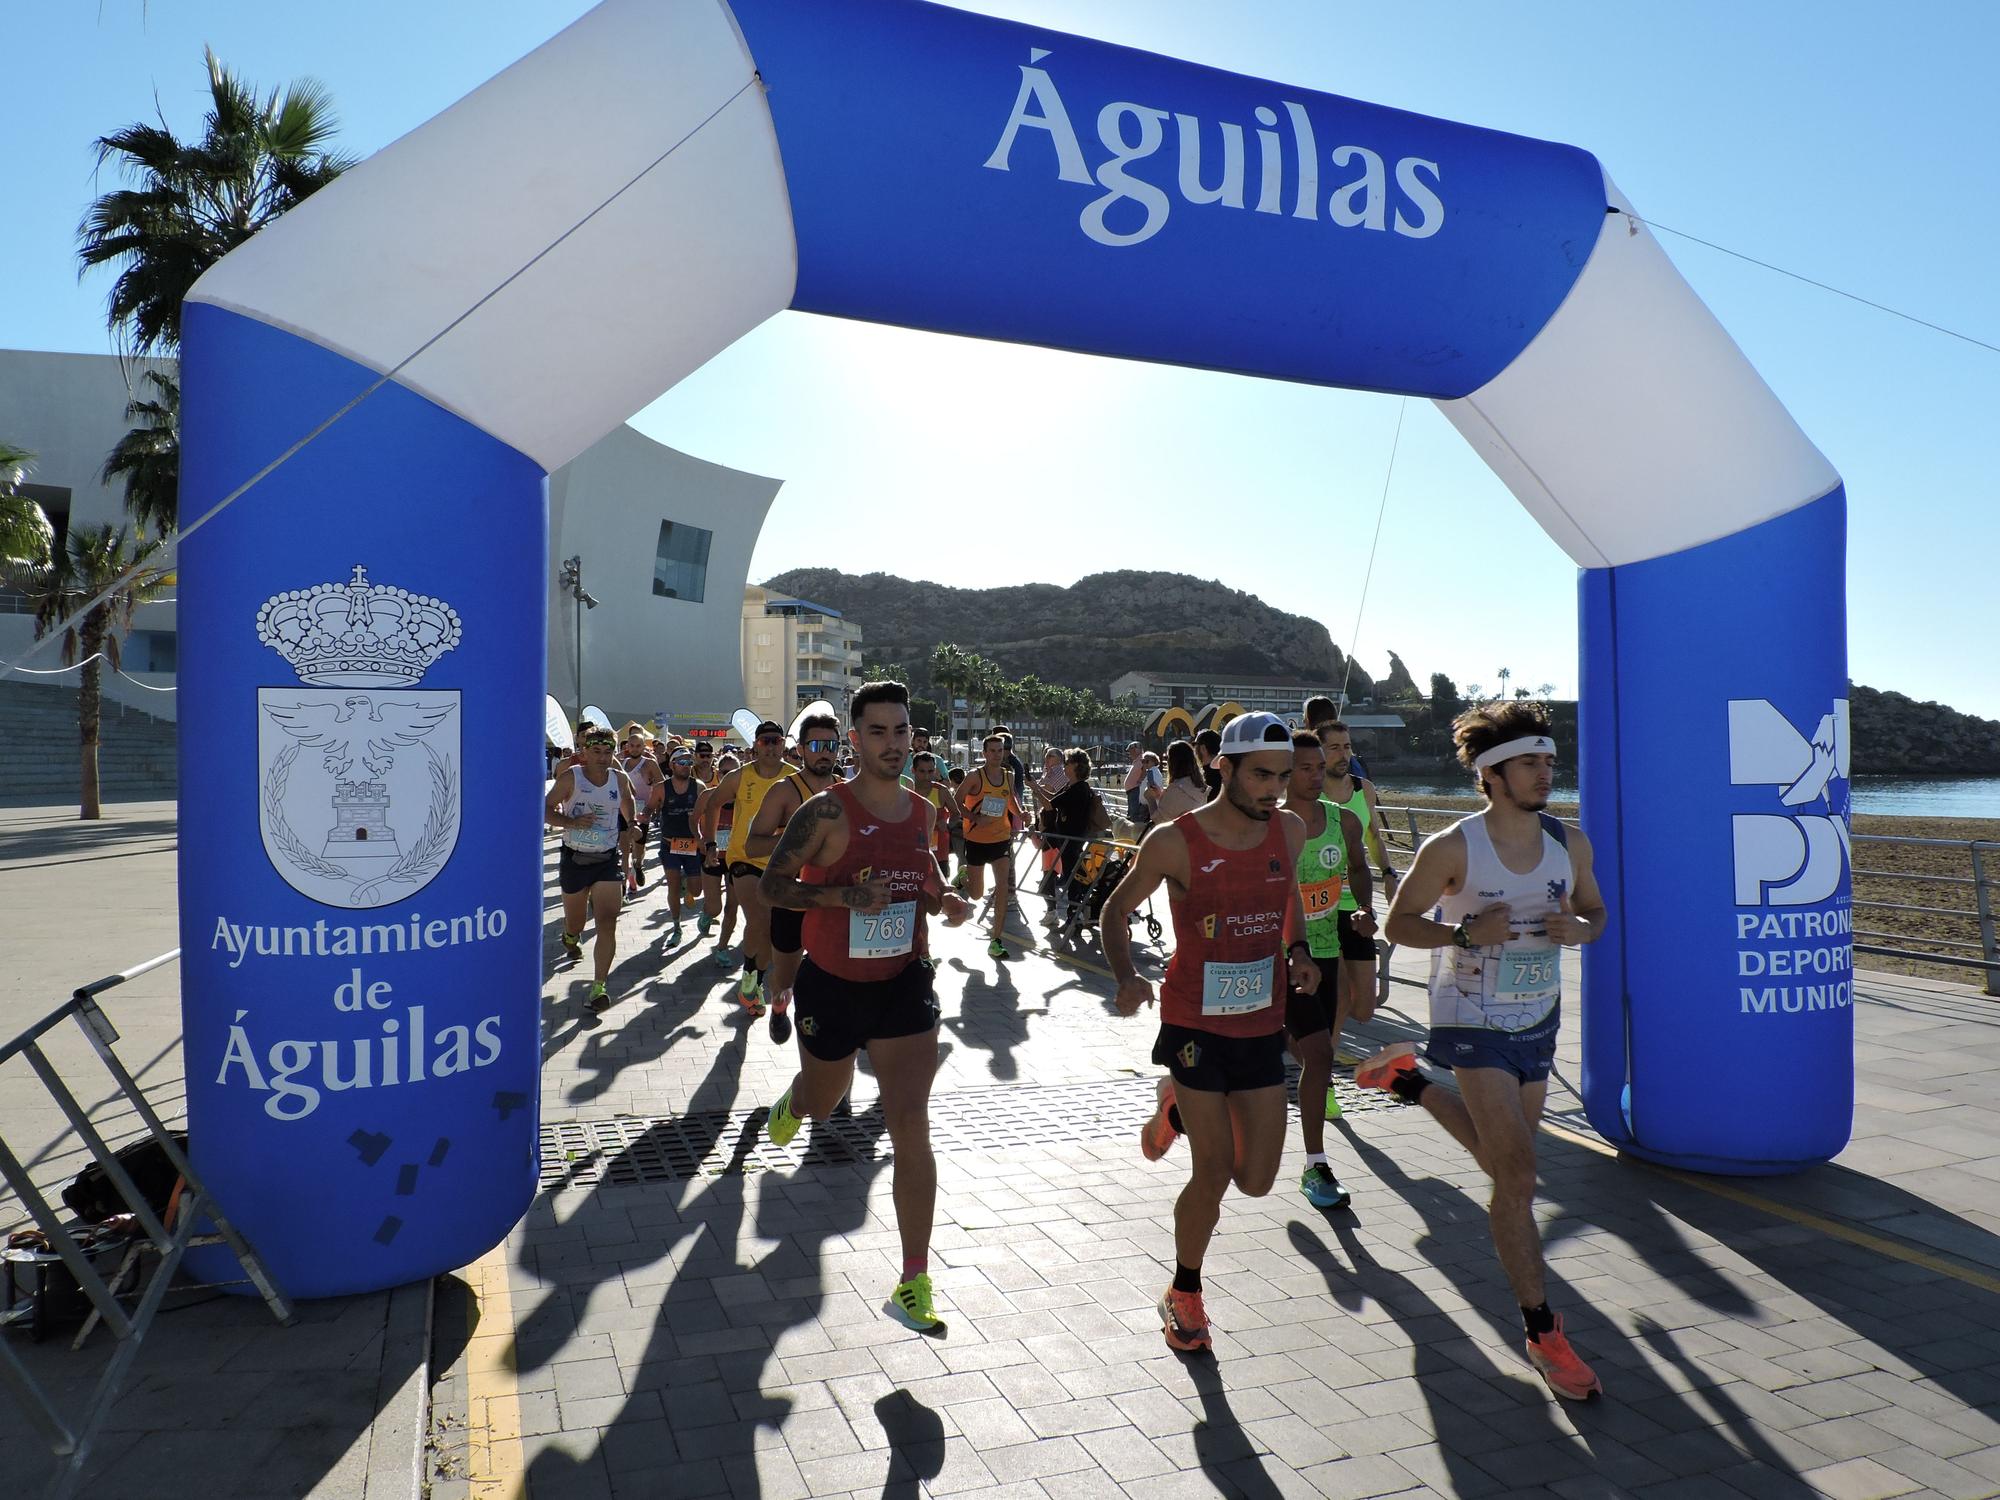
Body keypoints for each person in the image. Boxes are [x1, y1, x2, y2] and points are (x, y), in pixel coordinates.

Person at [1362, 701, 1608, 1401]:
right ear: (1492, 774)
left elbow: (1597, 913)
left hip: (1538, 1019)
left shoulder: (1572, 843)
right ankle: (1543, 1332)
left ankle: (1408, 1083)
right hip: (1471, 1019)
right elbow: (1398, 924)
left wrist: (1578, 929)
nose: (1546, 772)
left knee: (1505, 1167)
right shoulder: (1453, 847)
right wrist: (1465, 934)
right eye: (1531, 761)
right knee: (1522, 1179)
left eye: (1549, 760)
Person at [1100, 712, 1319, 1353]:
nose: (1273, 789)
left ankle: (1176, 1107)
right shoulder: (1175, 841)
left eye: (1282, 777)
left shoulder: (1292, 829)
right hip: (1194, 1021)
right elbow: (1117, 910)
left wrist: (1299, 952)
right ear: (1223, 768)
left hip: (1261, 1022)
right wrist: (1126, 977)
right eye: (1260, 776)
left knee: (1256, 1180)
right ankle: (1184, 1292)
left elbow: (1288, 898)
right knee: (1216, 1171)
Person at [759, 681, 973, 1333]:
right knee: (825, 1100)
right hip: (833, 985)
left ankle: (913, 1280)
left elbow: (924, 876)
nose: (891, 744)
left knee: (911, 1122)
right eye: (877, 732)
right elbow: (774, 884)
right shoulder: (824, 814)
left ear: (914, 737)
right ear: (854, 741)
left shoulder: (922, 810)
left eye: (901, 731)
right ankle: (795, 1103)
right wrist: (842, 901)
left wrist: (945, 899)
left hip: (905, 982)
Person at [1278, 731, 1371, 1208]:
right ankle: (1315, 1164)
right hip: (1279, 958)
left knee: (1320, 1052)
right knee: (1316, 1055)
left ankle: (1315, 1165)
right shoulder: (1270, 825)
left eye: (1320, 767)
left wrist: (1363, 911)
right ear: (1284, 772)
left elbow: (1359, 869)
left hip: (1327, 951)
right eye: (1305, 768)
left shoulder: (1343, 821)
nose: (1315, 775)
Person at [1305, 700, 1398, 1082]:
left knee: (1364, 1006)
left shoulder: (1364, 789)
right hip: (1322, 909)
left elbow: (1374, 836)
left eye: (1347, 746)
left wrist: (1389, 872)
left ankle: (1317, 1049)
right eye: (1335, 747)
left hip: (1358, 905)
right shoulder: (1309, 796)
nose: (1344, 754)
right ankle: (1322, 1073)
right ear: (1319, 753)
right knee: (1338, 997)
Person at [746, 711, 844, 1045]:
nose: (825, 752)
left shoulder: (847, 790)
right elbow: (753, 842)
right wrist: (797, 840)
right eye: (817, 744)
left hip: (833, 901)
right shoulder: (783, 792)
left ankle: (822, 1038)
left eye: (832, 744)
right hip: (792, 899)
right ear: (801, 749)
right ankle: (777, 1008)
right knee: (784, 980)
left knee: (831, 982)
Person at [545, 726, 636, 1012]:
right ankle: (570, 936)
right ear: (584, 752)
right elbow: (543, 808)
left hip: (606, 860)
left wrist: (631, 826)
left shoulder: (618, 779)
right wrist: (571, 823)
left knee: (608, 921)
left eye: (608, 752)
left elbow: (628, 801)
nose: (602, 757)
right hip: (575, 858)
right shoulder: (572, 777)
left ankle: (599, 987)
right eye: (596, 751)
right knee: (577, 923)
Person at [702, 722, 790, 1015]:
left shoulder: (794, 778)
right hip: (744, 859)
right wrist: (711, 843)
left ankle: (752, 976)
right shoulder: (741, 776)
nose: (772, 747)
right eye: (766, 741)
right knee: (760, 919)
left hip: (781, 863)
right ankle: (753, 977)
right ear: (756, 745)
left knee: (770, 931)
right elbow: (713, 804)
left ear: (784, 744)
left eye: (777, 741)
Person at [956, 734, 1024, 961]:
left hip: (1001, 839)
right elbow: (956, 801)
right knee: (976, 894)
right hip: (976, 840)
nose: (997, 754)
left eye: (1000, 750)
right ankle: (964, 874)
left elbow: (1010, 800)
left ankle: (996, 940)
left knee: (1002, 887)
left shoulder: (1009, 776)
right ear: (984, 753)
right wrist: (974, 818)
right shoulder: (975, 777)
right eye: (992, 750)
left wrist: (1021, 814)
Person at [1033, 748, 1110, 927]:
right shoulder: (1074, 787)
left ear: (1075, 765)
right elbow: (1056, 799)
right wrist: (1036, 789)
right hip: (1070, 839)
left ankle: (1074, 918)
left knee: (1073, 879)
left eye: (1067, 763)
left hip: (1072, 840)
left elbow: (1051, 805)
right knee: (1072, 879)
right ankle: (1073, 916)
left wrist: (1035, 789)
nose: (1065, 767)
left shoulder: (1078, 789)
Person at [654, 746, 703, 945]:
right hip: (669, 844)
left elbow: (707, 814)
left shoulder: (699, 787)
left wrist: (707, 841)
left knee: (697, 890)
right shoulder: (661, 787)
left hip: (692, 845)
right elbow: (649, 808)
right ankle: (676, 926)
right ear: (672, 764)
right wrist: (642, 818)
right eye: (682, 762)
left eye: (690, 763)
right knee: (672, 887)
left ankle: (688, 887)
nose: (686, 766)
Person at [694, 750, 740, 949]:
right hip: (712, 856)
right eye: (723, 772)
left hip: (737, 858)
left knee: (732, 908)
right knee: (714, 908)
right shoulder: (708, 796)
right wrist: (700, 840)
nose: (727, 776)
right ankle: (707, 915)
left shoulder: (747, 799)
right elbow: (693, 820)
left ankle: (722, 947)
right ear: (718, 773)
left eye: (733, 772)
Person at [618, 724, 663, 898]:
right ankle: (623, 886)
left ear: (644, 747)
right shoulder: (622, 762)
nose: (635, 749)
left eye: (639, 746)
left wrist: (653, 793)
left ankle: (638, 865)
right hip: (623, 810)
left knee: (638, 847)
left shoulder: (649, 763)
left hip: (642, 812)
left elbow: (661, 785)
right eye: (632, 746)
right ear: (627, 746)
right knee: (624, 849)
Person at [1152, 739, 1208, 822]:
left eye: (1167, 758)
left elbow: (1158, 820)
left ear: (1172, 762)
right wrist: (1160, 797)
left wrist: (1150, 799)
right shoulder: (1201, 788)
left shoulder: (1175, 789)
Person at [1194, 728, 1223, 800]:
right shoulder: (1227, 773)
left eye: (1195, 745)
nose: (1194, 750)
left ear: (1203, 748)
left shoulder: (1199, 779)